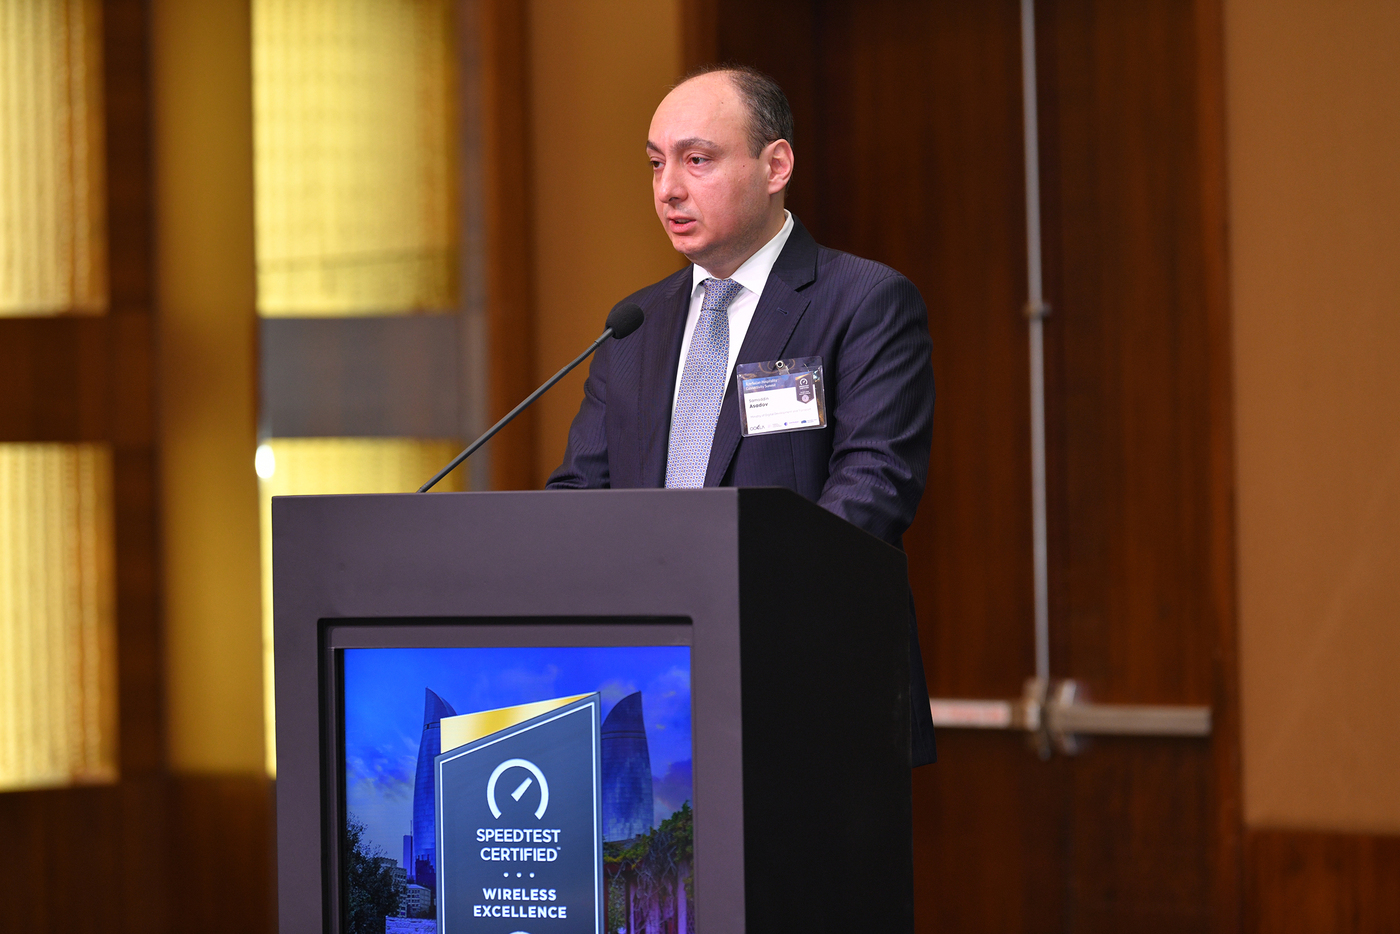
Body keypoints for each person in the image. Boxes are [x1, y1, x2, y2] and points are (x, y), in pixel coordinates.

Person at [547, 65, 937, 766]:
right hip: (654, 695)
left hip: (811, 694)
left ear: (775, 165)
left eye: (697, 160)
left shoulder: (863, 301)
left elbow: (873, 489)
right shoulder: (634, 325)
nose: (668, 188)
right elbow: (581, 496)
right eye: (656, 164)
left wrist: (729, 608)